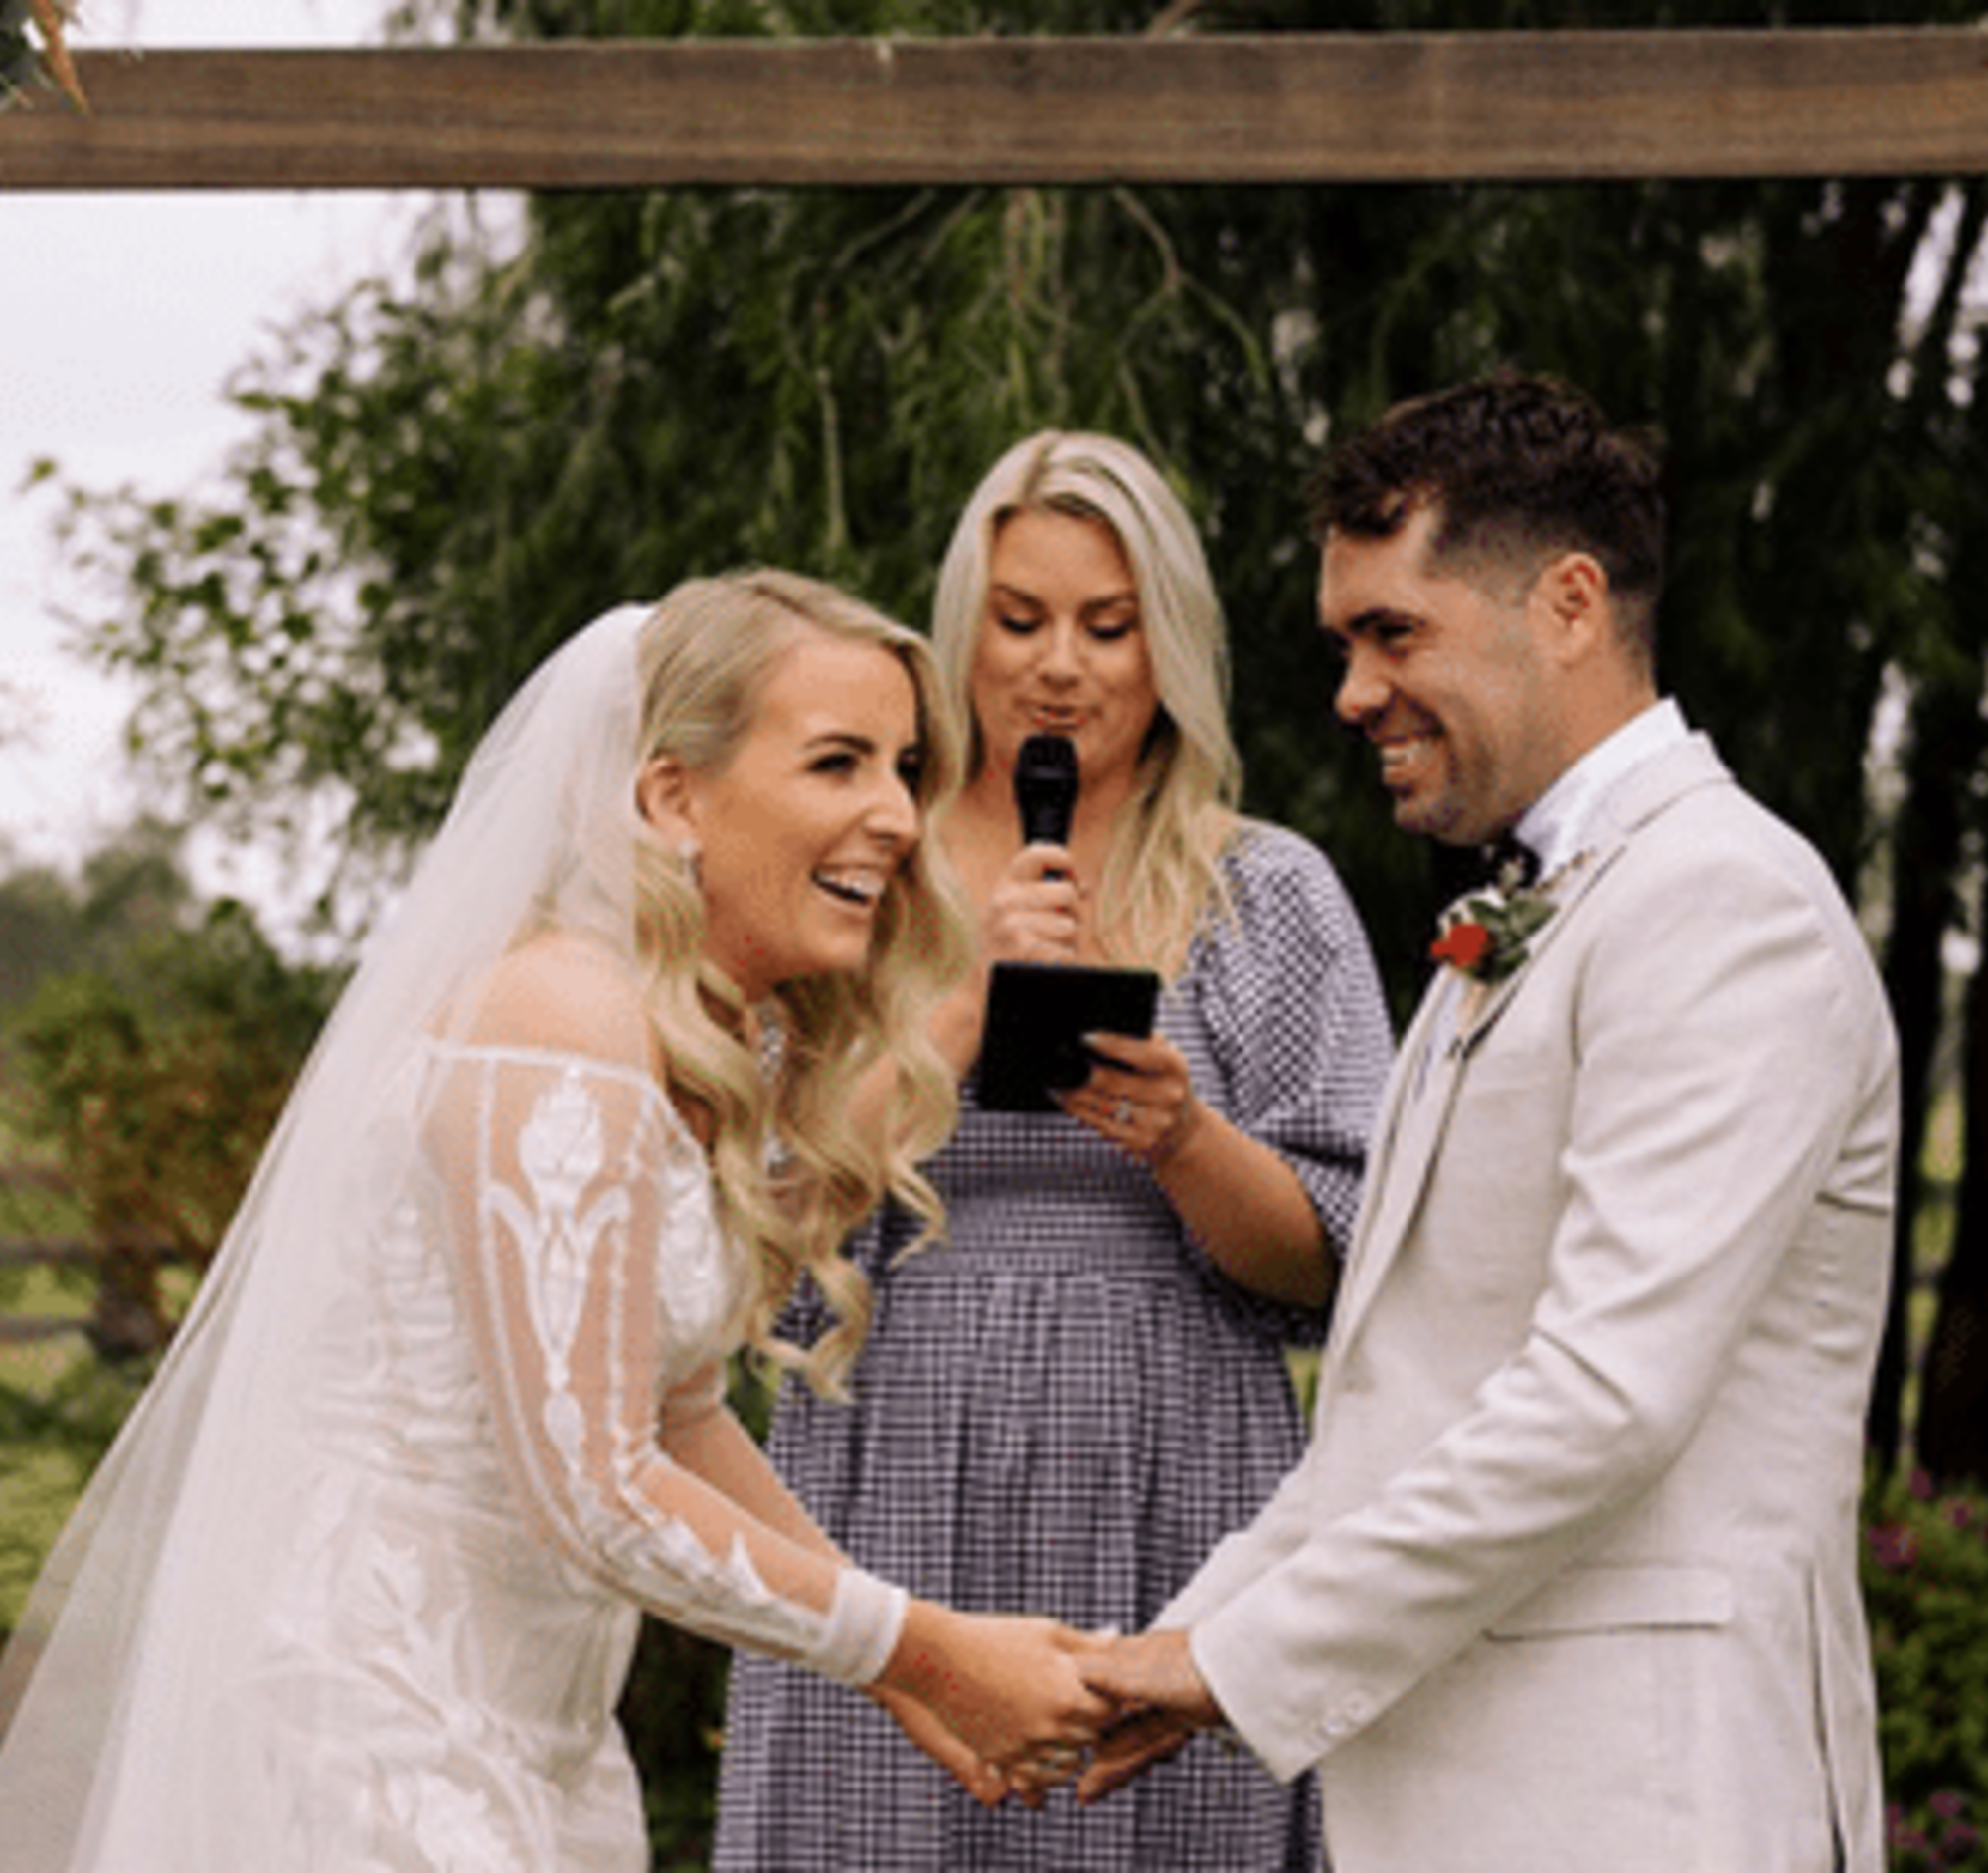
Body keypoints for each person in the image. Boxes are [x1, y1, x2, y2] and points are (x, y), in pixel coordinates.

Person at [0, 572, 1119, 1872]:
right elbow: (593, 1489)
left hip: (533, 1725)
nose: (896, 816)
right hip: (372, 1711)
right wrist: (935, 1648)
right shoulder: (560, 1021)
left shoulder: (686, 1038)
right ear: (669, 797)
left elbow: (679, 1411)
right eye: (838, 762)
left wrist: (914, 1684)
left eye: (904, 767)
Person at [1076, 373, 1901, 1873]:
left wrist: (1237, 1662)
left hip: (1641, 1802)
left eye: (1394, 633)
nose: (1350, 693)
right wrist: (1185, 1646)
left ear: (1571, 603)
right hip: (1469, 1796)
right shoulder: (1517, 920)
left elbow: (1603, 1399)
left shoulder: (1726, 904)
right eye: (1344, 643)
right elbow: (1398, 1407)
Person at [715, 433, 1394, 1869]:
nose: (1059, 667)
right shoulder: (859, 869)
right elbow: (753, 1238)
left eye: (1108, 623)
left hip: (1180, 1474)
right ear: (962, 628)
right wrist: (953, 1024)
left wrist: (1183, 1134)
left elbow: (1341, 1260)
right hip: (887, 1462)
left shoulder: (1263, 892)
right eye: (1020, 620)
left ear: (1172, 646)